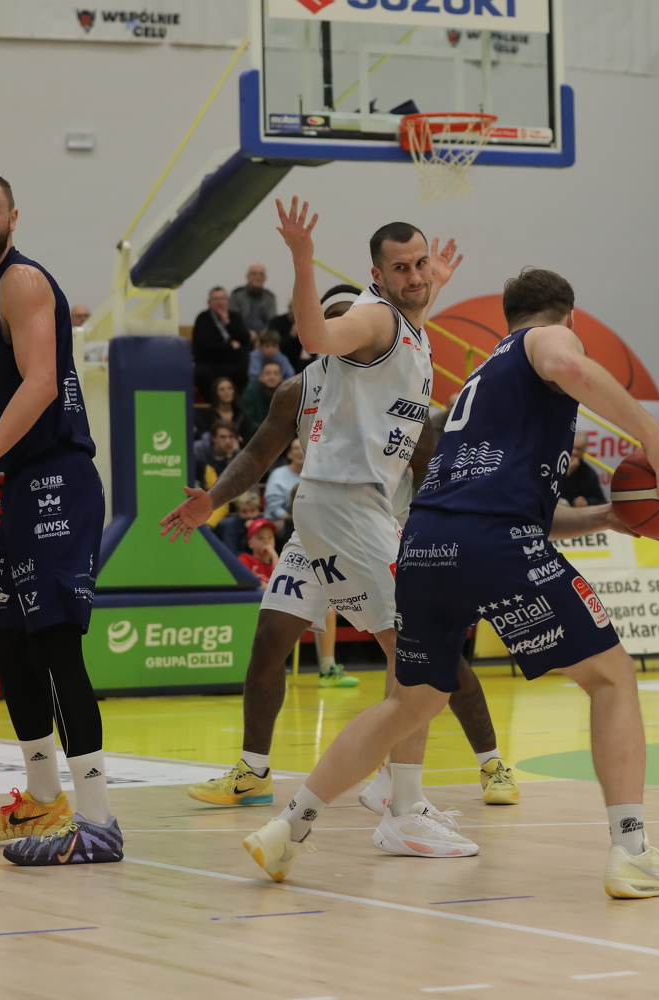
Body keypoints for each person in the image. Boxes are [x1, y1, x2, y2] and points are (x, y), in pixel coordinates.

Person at [240, 266, 659, 898]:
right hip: (491, 542)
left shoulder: (485, 379)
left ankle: (288, 827)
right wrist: (657, 439)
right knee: (612, 678)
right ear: (570, 317)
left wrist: (602, 517)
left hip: (428, 543)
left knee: (411, 702)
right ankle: (632, 854)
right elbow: (569, 368)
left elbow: (510, 506)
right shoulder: (546, 340)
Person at [163, 205, 519, 841]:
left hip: (355, 509)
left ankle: (405, 790)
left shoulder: (407, 329)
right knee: (418, 653)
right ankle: (398, 805)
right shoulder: (367, 327)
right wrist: (303, 262)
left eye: (420, 265)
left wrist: (430, 280)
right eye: (401, 269)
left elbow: (404, 317)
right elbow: (316, 341)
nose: (416, 276)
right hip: (343, 507)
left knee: (417, 652)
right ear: (373, 281)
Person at [0, 170, 114, 866]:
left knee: (55, 646)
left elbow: (41, 382)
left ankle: (98, 825)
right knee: (7, 644)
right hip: (24, 484)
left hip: (58, 480)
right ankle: (43, 798)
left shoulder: (21, 281)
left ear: (14, 217)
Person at [192, 286, 251, 400]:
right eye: (216, 299)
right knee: (202, 373)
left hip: (232, 362)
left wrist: (228, 323)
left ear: (227, 301)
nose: (220, 302)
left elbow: (245, 339)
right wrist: (229, 346)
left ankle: (236, 404)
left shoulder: (234, 317)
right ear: (209, 302)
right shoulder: (203, 318)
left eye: (222, 299)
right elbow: (204, 345)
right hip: (210, 362)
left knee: (243, 371)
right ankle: (214, 404)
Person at [196, 375, 255, 442]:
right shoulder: (209, 415)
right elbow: (205, 437)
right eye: (222, 389)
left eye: (229, 388)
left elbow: (248, 438)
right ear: (215, 393)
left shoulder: (242, 415)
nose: (227, 392)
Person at [263, 438, 303, 528]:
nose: (300, 452)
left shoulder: (314, 477)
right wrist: (291, 521)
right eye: (296, 448)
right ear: (289, 454)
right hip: (279, 522)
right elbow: (274, 507)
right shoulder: (278, 474)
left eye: (304, 448)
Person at [559, 433, 607, 507]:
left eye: (579, 449)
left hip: (578, 511)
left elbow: (600, 500)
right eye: (572, 447)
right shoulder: (554, 466)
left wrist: (587, 502)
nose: (574, 452)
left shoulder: (588, 472)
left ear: (584, 451)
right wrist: (566, 474)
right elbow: (549, 493)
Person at [231, 263, 278, 337]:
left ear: (265, 278)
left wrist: (262, 335)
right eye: (254, 274)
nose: (258, 277)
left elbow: (272, 321)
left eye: (261, 274)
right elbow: (234, 319)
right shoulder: (237, 295)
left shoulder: (270, 297)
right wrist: (247, 333)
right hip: (241, 336)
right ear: (247, 276)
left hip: (264, 338)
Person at [194, 420, 242, 490]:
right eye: (223, 437)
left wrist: (236, 454)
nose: (228, 441)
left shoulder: (236, 454)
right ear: (213, 438)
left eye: (231, 437)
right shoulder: (199, 452)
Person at [241, 358, 286, 427]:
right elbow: (248, 421)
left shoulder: (287, 393)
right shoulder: (251, 392)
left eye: (276, 373)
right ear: (260, 377)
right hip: (257, 432)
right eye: (268, 373)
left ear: (281, 378)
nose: (272, 377)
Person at [218, 491, 264, 555]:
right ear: (238, 511)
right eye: (244, 512)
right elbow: (232, 552)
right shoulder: (230, 525)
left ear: (258, 510)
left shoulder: (263, 524)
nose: (249, 515)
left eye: (252, 511)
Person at [238, 517, 279, 587]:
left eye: (270, 537)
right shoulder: (245, 559)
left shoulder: (276, 564)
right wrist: (270, 589)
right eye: (260, 538)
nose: (266, 541)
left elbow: (283, 584)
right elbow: (245, 580)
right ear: (250, 543)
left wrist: (274, 556)